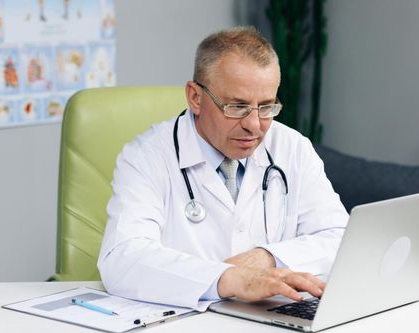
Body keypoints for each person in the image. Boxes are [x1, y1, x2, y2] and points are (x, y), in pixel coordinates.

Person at [98, 26, 349, 311]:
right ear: (195, 97)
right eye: (237, 107)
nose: (254, 125)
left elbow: (340, 237)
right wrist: (228, 279)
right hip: (186, 323)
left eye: (266, 107)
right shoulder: (147, 156)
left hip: (272, 319)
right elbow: (122, 258)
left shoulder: (292, 148)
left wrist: (265, 258)